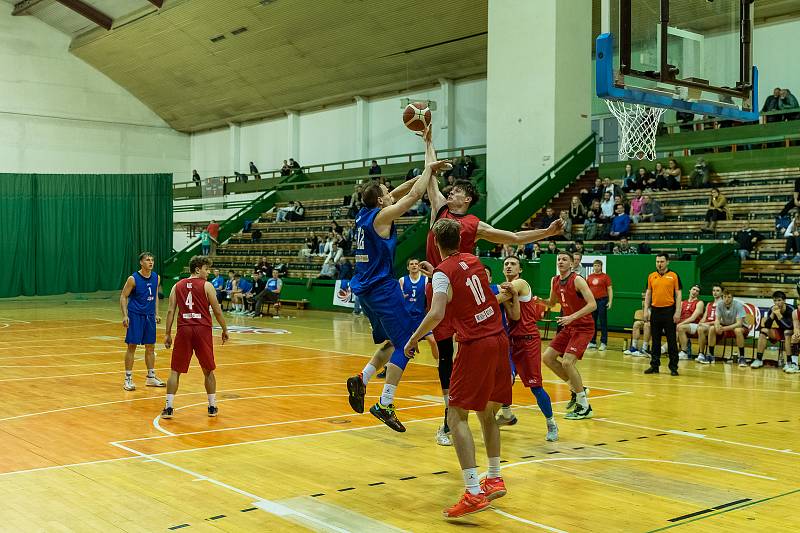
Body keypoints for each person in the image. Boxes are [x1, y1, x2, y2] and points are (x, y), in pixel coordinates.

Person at [417, 126, 563, 446]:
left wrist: (546, 233)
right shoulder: (439, 207)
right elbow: (430, 178)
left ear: (467, 199)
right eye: (450, 190)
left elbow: (511, 238)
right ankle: (455, 416)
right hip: (436, 281)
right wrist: (428, 142)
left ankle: (466, 415)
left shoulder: (474, 225)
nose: (450, 192)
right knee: (445, 357)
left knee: (464, 351)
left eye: (456, 191)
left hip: (463, 288)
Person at [403, 218, 512, 518]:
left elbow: (437, 312)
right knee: (486, 412)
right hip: (499, 340)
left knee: (456, 415)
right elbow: (459, 284)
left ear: (436, 244)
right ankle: (494, 475)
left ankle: (473, 492)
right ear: (461, 241)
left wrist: (413, 338)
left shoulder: (442, 274)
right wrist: (436, 274)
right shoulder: (472, 259)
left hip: (476, 345)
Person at [345, 148, 451, 432]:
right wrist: (429, 173)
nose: (391, 192)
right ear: (381, 200)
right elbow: (413, 196)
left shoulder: (363, 215)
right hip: (381, 288)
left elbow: (404, 189)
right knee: (407, 342)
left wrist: (427, 170)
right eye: (386, 192)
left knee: (392, 342)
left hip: (364, 289)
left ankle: (363, 378)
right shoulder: (381, 218)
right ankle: (385, 403)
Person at [493, 255, 559, 442]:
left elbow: (501, 297)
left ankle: (551, 423)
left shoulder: (520, 283)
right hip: (510, 340)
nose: (509, 266)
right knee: (505, 378)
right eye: (506, 264)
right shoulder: (503, 286)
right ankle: (506, 413)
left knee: (535, 386)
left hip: (528, 340)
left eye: (513, 264)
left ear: (520, 269)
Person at [161, 256, 229, 419]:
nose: (208, 272)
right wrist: (225, 329)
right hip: (202, 329)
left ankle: (168, 408)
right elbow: (217, 310)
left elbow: (171, 311)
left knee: (175, 370)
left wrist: (168, 333)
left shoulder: (176, 286)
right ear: (197, 269)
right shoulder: (207, 286)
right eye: (206, 269)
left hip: (184, 329)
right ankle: (212, 406)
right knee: (208, 370)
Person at [542, 251, 597, 420]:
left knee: (567, 362)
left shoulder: (578, 280)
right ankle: (575, 388)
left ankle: (584, 406)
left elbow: (593, 304)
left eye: (564, 259)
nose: (560, 261)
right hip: (568, 326)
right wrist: (536, 300)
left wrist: (571, 317)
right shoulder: (555, 281)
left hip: (583, 326)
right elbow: (552, 303)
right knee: (547, 358)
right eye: (559, 259)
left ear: (572, 264)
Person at [119, 252, 165, 391]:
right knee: (132, 346)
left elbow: (155, 296)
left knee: (150, 346)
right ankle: (128, 378)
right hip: (135, 315)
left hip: (149, 316)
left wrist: (156, 313)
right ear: (141, 262)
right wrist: (125, 315)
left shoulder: (156, 277)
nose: (150, 262)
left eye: (152, 260)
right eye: (147, 260)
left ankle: (151, 377)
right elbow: (123, 296)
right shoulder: (133, 278)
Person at [644, 253, 682, 376]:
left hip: (669, 311)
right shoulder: (651, 276)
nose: (659, 264)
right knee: (655, 340)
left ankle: (673, 367)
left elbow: (678, 294)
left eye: (662, 261)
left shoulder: (674, 276)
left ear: (667, 262)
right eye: (657, 262)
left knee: (671, 340)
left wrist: (677, 312)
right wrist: (646, 310)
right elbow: (648, 294)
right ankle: (654, 366)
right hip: (655, 311)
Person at [752, 290, 793, 368]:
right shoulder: (772, 309)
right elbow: (767, 326)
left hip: (792, 332)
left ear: (784, 301)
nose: (777, 303)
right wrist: (772, 314)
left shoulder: (791, 309)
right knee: (764, 331)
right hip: (781, 331)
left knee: (787, 332)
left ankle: (789, 362)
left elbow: (789, 326)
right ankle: (759, 359)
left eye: (779, 300)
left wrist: (778, 314)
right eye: (775, 301)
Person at [586, 260, 612, 351]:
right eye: (595, 265)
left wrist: (610, 301)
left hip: (602, 301)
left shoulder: (605, 277)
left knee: (603, 322)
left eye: (598, 266)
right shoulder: (589, 277)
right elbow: (586, 290)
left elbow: (609, 289)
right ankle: (592, 342)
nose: (596, 267)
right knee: (592, 322)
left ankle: (603, 342)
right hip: (592, 301)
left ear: (601, 267)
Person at [694, 284, 724, 363]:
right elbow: (704, 317)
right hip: (706, 325)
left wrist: (706, 324)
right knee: (700, 328)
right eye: (714, 291)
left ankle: (710, 354)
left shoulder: (723, 304)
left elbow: (720, 321)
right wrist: (701, 322)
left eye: (717, 291)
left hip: (716, 326)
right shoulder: (709, 304)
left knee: (709, 328)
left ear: (721, 293)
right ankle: (701, 354)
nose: (715, 292)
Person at [676, 284, 705, 359]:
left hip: (694, 325)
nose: (695, 292)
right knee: (672, 328)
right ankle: (668, 349)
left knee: (680, 328)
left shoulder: (700, 303)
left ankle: (684, 352)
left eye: (697, 291)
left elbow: (693, 318)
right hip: (682, 324)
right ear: (690, 290)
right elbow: (677, 315)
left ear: (698, 293)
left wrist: (680, 324)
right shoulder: (683, 302)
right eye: (693, 289)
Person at [623, 293, 651, 357]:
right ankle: (634, 347)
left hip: (655, 323)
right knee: (636, 324)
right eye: (643, 298)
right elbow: (645, 316)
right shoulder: (644, 304)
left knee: (647, 325)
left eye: (645, 297)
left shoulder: (654, 303)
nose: (643, 299)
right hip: (647, 321)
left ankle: (644, 349)